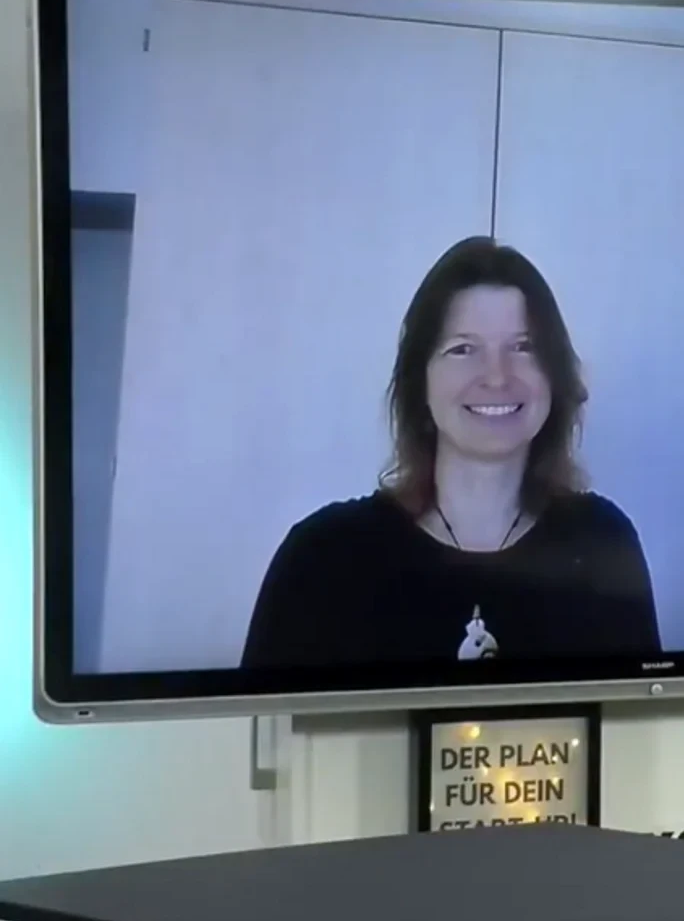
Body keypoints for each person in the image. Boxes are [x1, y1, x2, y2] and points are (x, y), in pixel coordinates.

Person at [240, 236, 661, 667]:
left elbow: (638, 730)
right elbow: (258, 732)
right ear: (419, 381)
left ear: (554, 375)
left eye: (523, 347)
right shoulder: (321, 559)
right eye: (463, 349)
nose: (496, 377)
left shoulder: (603, 545)